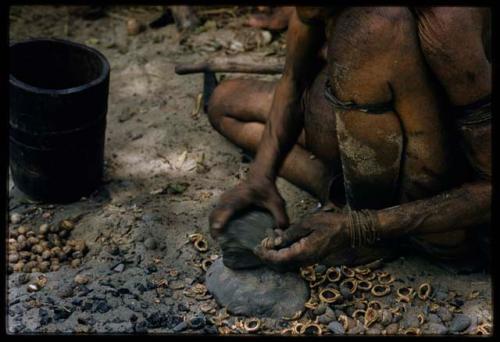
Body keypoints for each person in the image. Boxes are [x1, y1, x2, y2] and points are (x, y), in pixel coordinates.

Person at [207, 7, 491, 269]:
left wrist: (362, 227)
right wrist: (260, 177)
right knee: (223, 103)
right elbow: (292, 81)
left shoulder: (445, 23)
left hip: (446, 181)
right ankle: (335, 193)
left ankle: (398, 233)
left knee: (368, 32)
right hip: (367, 140)